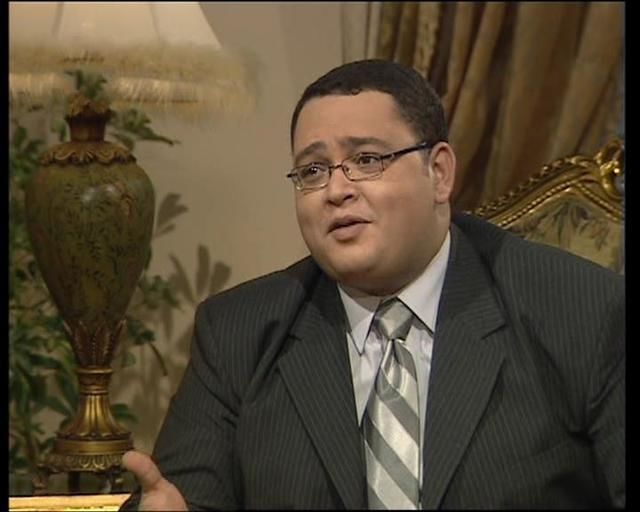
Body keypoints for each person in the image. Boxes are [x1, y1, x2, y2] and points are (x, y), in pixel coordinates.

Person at [120, 59, 625, 510]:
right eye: (313, 170)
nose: (336, 190)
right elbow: (182, 499)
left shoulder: (583, 313)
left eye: (366, 160)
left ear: (439, 173)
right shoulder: (238, 334)